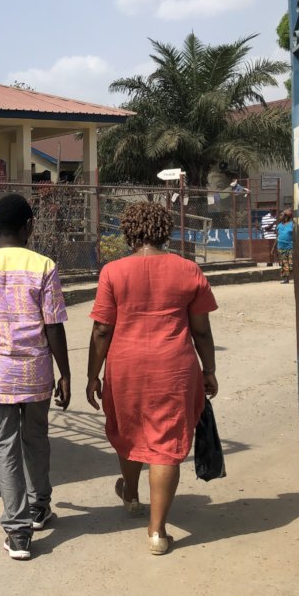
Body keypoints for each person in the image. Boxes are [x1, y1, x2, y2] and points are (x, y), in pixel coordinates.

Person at [86, 202, 218, 555]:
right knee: (166, 444)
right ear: (165, 231)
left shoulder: (113, 272)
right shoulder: (188, 270)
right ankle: (157, 533)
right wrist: (209, 370)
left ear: (129, 232)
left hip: (125, 367)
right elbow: (201, 331)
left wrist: (91, 376)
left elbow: (102, 330)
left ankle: (130, 495)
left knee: (129, 430)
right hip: (174, 368)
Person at [0, 194, 71, 561]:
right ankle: (40, 507)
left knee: (4, 446)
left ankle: (18, 532)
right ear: (28, 226)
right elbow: (53, 325)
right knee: (36, 438)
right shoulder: (43, 266)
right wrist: (65, 373)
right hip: (35, 370)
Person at [277, 208, 294, 284]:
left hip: (290, 246)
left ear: (286, 217)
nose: (280, 216)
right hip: (281, 247)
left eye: (282, 215)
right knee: (284, 264)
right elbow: (277, 236)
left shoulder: (292, 224)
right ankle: (286, 279)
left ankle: (297, 277)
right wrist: (274, 247)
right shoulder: (279, 226)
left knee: (291, 263)